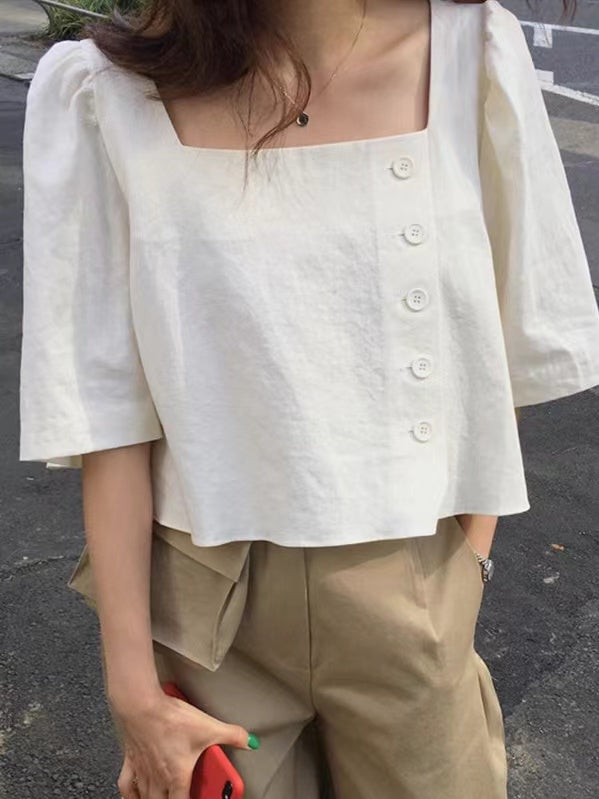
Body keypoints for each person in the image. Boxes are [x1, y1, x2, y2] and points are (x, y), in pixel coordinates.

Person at [19, 0, 599, 797]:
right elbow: (107, 407)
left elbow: (506, 345)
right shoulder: (103, 91)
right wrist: (132, 689)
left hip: (412, 571)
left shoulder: (474, 55)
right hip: (200, 591)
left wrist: (465, 563)